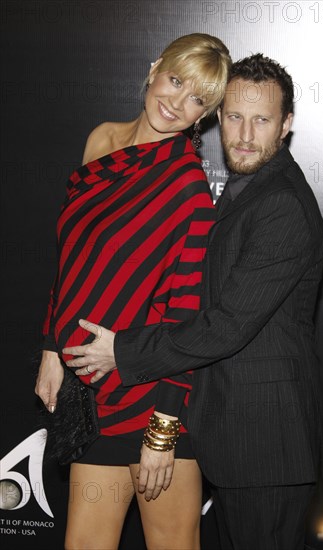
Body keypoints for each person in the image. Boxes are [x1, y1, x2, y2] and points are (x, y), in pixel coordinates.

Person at [64, 53, 323, 550]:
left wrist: (122, 351)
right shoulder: (246, 188)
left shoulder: (281, 205)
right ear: (217, 119)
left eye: (262, 120)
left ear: (286, 124)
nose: (245, 134)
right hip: (232, 440)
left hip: (265, 446)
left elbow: (225, 326)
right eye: (234, 116)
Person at [35, 33, 231, 550]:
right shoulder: (101, 140)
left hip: (153, 398)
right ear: (152, 69)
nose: (177, 102)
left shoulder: (188, 186)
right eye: (174, 80)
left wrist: (162, 433)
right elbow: (71, 259)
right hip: (94, 396)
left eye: (197, 99)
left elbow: (187, 312)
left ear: (205, 116)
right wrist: (52, 347)